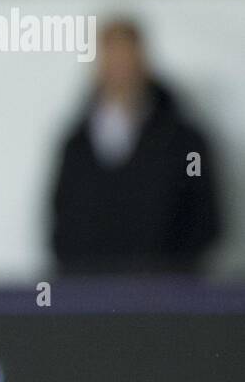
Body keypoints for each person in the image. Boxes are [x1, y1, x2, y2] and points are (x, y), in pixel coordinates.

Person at [49, 18, 221, 275]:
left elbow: (206, 218)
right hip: (90, 297)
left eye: (127, 58)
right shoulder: (76, 145)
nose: (121, 70)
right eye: (112, 58)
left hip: (168, 297)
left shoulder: (185, 142)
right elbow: (61, 220)